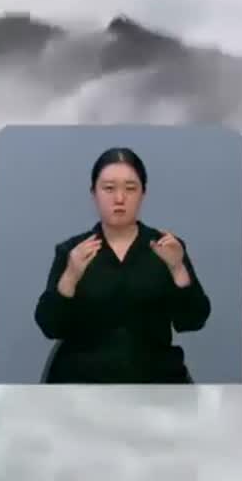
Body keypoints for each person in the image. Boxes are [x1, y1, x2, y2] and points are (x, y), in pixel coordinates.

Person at [33, 147, 211, 384]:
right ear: (93, 193)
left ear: (143, 193)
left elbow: (192, 321)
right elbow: (50, 327)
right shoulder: (71, 251)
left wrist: (178, 270)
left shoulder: (167, 248)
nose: (119, 198)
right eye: (108, 188)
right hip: (80, 385)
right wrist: (71, 276)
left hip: (156, 383)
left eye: (130, 188)